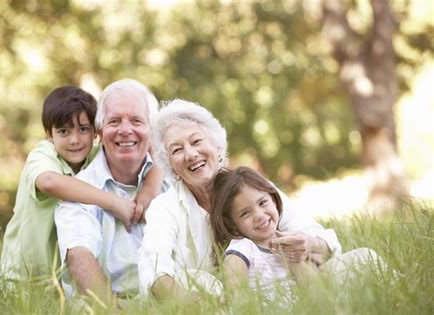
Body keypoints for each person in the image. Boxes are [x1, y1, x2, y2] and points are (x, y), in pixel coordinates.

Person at [138, 99, 341, 304]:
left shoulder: (253, 188)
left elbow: (322, 238)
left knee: (363, 258)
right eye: (177, 150)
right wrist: (199, 302)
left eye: (197, 141)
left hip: (284, 287)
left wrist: (308, 244)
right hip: (216, 300)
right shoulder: (164, 208)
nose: (191, 154)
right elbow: (153, 271)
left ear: (217, 147)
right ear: (171, 167)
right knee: (202, 281)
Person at [0, 85, 161, 287]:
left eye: (83, 129)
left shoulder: (92, 155)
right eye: (64, 131)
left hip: (59, 280)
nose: (75, 140)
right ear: (49, 134)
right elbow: (49, 182)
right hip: (23, 277)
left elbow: (154, 151)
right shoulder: (43, 155)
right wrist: (113, 202)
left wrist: (149, 189)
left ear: (95, 133)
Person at [54, 79, 166, 302]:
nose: (125, 130)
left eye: (136, 120)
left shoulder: (171, 178)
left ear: (151, 130)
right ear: (100, 131)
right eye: (114, 121)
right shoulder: (80, 191)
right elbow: (79, 256)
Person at [210, 166, 321, 303]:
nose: (259, 216)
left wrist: (294, 260)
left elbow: (316, 291)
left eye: (262, 203)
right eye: (245, 213)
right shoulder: (241, 249)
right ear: (232, 224)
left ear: (274, 200)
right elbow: (236, 296)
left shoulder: (288, 242)